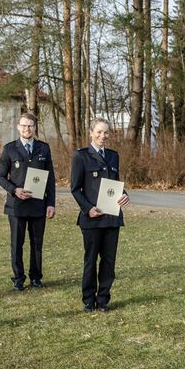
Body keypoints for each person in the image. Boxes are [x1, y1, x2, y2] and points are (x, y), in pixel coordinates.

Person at [70, 118, 129, 312]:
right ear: (91, 132)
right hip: (92, 218)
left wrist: (124, 196)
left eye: (106, 133)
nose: (102, 136)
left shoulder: (113, 156)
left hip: (112, 218)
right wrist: (88, 208)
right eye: (99, 132)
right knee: (91, 260)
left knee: (109, 261)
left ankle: (103, 299)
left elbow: (116, 185)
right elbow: (75, 189)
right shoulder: (81, 156)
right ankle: (88, 299)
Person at [0, 112, 56, 291]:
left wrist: (51, 203)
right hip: (16, 206)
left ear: (35, 127)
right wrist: (14, 190)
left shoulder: (43, 148)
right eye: (23, 125)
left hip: (38, 205)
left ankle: (36, 277)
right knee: (17, 243)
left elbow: (50, 178)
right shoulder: (9, 149)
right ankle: (18, 279)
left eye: (30, 125)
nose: (26, 129)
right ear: (18, 127)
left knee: (37, 243)